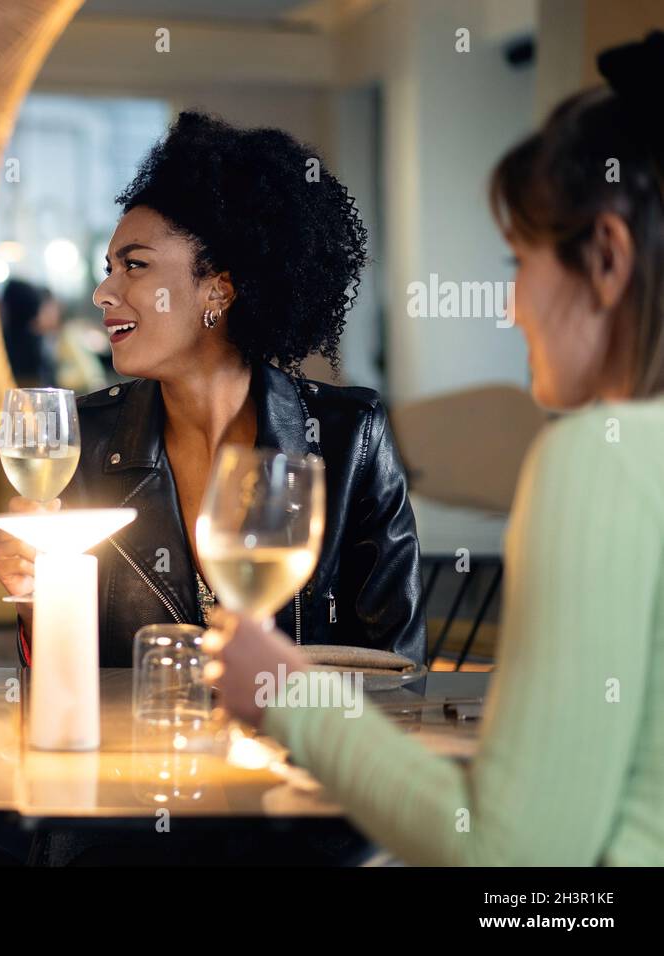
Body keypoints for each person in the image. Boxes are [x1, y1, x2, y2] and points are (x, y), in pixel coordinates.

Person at [208, 32, 664, 866]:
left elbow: (512, 859)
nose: (510, 308)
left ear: (606, 259)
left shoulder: (599, 460)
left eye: (517, 263)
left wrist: (284, 695)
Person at [0, 111, 425, 667]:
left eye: (135, 266)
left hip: (299, 749)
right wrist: (34, 601)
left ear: (218, 289)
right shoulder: (85, 441)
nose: (103, 291)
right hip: (140, 751)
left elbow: (395, 668)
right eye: (109, 268)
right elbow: (69, 679)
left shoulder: (348, 439)